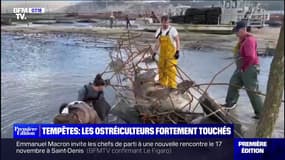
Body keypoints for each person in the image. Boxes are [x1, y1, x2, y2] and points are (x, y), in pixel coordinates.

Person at [221, 21, 263, 119]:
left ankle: (260, 113)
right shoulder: (242, 40)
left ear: (243, 30)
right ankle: (230, 104)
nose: (236, 34)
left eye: (237, 31)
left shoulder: (249, 40)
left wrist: (244, 68)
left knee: (252, 90)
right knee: (233, 83)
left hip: (250, 68)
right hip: (241, 68)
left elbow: (251, 56)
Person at [152, 15, 181, 89]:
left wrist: (177, 51)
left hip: (171, 54)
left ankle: (172, 86)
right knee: (161, 68)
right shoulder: (159, 31)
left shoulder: (172, 30)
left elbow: (177, 40)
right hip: (163, 53)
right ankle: (162, 83)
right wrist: (154, 52)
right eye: (164, 22)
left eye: (167, 22)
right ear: (161, 22)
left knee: (171, 69)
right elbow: (158, 43)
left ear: (168, 22)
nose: (165, 24)